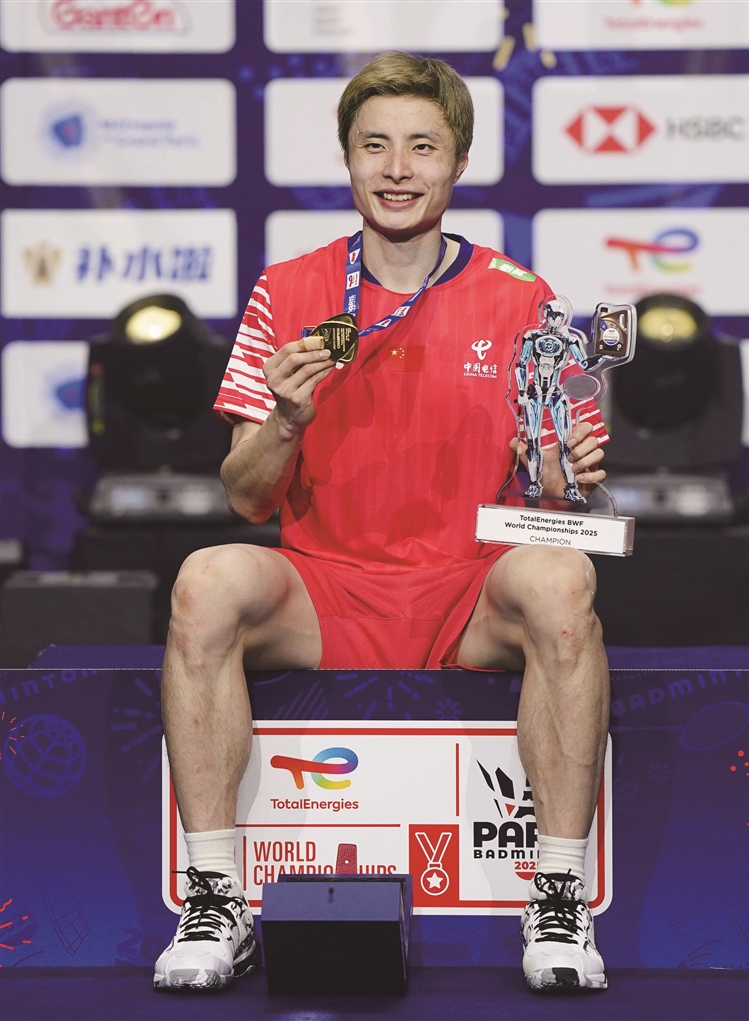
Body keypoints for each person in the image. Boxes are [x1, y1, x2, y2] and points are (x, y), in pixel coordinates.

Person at [154, 52, 611, 994]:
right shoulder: (286, 289)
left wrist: (557, 477)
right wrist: (285, 420)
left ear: (458, 163)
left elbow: (559, 501)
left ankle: (559, 894)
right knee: (205, 577)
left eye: (421, 147)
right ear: (347, 159)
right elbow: (245, 496)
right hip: (326, 589)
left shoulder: (524, 299)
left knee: (564, 580)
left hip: (467, 589)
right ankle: (214, 897)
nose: (397, 169)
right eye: (375, 146)